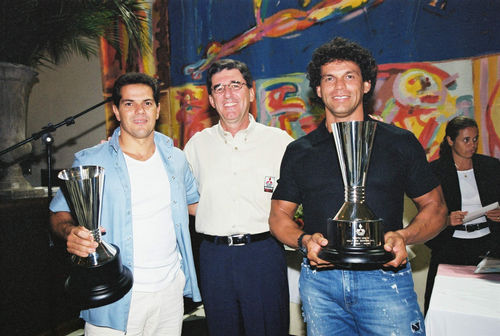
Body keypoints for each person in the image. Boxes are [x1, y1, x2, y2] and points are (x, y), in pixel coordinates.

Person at [269, 37, 448, 336]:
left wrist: (404, 236)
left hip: (384, 281)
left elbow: (437, 209)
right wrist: (304, 242)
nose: (339, 87)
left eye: (349, 76)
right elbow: (278, 216)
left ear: (366, 85)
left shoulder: (399, 143)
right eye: (329, 78)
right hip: (320, 284)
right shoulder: (300, 151)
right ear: (318, 89)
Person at [50, 73, 201, 335]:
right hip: (114, 291)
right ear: (116, 111)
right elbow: (58, 213)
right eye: (129, 103)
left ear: (158, 109)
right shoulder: (91, 161)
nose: (139, 110)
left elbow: (195, 206)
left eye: (147, 103)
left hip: (170, 292)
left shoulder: (176, 158)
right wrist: (70, 233)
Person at [183, 59, 293, 335]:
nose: (228, 94)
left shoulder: (279, 142)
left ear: (251, 92)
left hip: (263, 254)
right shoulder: (197, 145)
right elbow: (184, 198)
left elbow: (297, 197)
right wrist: (213, 212)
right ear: (210, 99)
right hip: (213, 258)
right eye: (219, 89)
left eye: (235, 85)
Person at [424, 116, 500, 313]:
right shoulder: (435, 171)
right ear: (450, 140)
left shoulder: (491, 167)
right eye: (466, 140)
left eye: (475, 139)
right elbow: (426, 212)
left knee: (487, 306)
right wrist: (446, 220)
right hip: (451, 245)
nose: (472, 145)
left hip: (488, 243)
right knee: (446, 305)